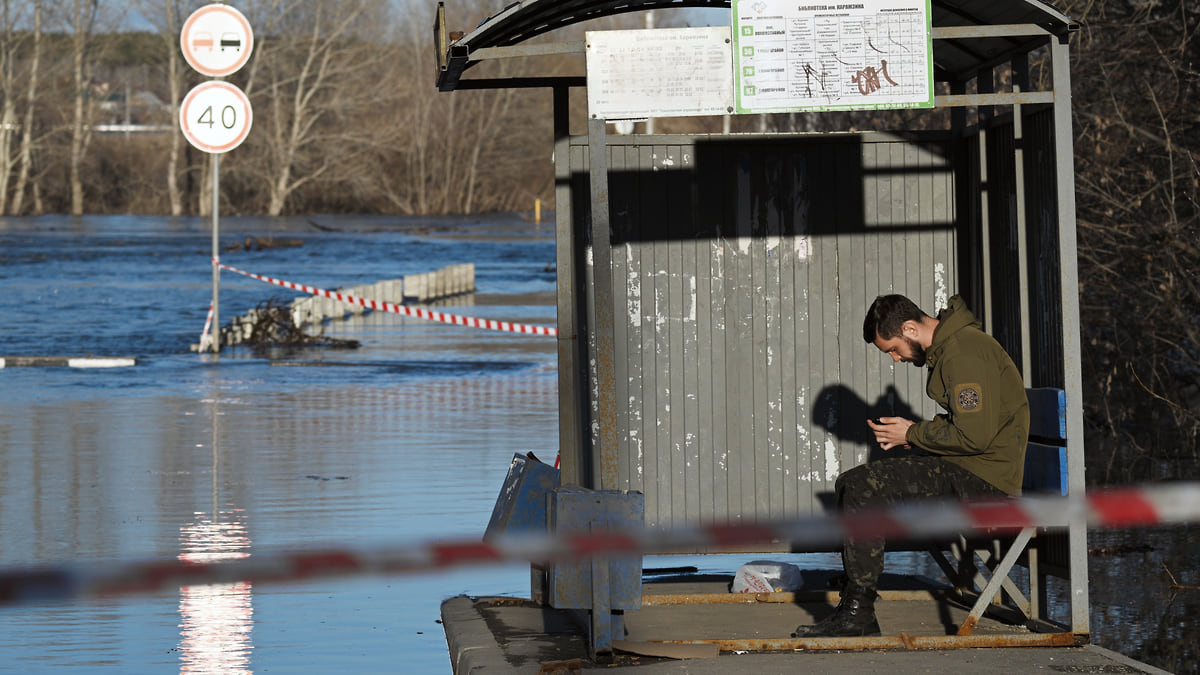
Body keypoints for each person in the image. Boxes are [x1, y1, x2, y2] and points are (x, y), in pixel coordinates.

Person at [793, 294, 1030, 638]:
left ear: (909, 328)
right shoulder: (954, 348)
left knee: (861, 488)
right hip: (973, 471)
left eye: (892, 348)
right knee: (851, 482)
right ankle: (857, 591)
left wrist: (914, 432)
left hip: (986, 484)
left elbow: (975, 436)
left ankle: (858, 611)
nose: (894, 358)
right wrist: (914, 436)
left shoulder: (963, 353)